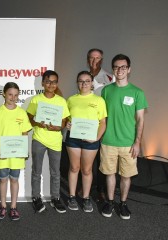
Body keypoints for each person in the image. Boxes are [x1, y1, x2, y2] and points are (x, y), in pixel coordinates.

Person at [100, 54, 148, 220]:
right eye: (116, 67)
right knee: (110, 174)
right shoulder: (106, 90)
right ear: (113, 69)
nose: (119, 70)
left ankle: (123, 203)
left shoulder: (137, 93)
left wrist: (137, 142)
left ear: (129, 69)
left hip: (128, 143)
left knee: (126, 175)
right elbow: (102, 117)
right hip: (108, 142)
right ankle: (111, 202)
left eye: (123, 67)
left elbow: (141, 119)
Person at [27, 70, 70, 213]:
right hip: (39, 139)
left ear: (57, 83)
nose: (51, 84)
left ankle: (55, 198)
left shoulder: (61, 101)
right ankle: (36, 198)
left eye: (54, 81)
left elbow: (64, 122)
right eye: (48, 81)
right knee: (36, 171)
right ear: (43, 83)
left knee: (55, 172)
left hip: (55, 141)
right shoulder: (36, 99)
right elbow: (30, 118)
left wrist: (58, 127)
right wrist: (38, 124)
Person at [0, 82, 32, 221]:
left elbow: (25, 133)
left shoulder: (21, 113)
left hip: (17, 156)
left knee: (14, 180)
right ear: (4, 94)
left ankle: (13, 207)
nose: (13, 98)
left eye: (15, 95)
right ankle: (2, 206)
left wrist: (24, 149)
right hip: (2, 155)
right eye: (10, 94)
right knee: (3, 181)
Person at [65, 71, 107, 212]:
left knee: (87, 170)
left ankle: (86, 197)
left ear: (91, 83)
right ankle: (71, 196)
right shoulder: (71, 100)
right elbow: (66, 119)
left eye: (87, 81)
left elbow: (103, 123)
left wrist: (95, 138)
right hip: (74, 139)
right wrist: (67, 124)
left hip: (91, 140)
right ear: (77, 83)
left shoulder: (99, 101)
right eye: (81, 81)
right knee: (74, 168)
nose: (84, 84)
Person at [87, 48, 114, 202]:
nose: (94, 61)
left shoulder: (109, 78)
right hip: (87, 124)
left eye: (97, 58)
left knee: (102, 160)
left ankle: (100, 189)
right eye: (91, 58)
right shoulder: (83, 77)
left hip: (103, 124)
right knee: (87, 159)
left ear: (101, 60)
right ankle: (85, 187)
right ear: (87, 59)